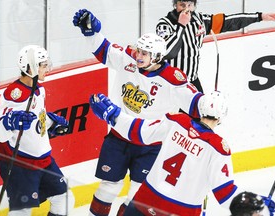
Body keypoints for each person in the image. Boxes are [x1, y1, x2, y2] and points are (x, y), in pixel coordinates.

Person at [72, 9, 203, 216]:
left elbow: (196, 103)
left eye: (144, 53)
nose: (138, 55)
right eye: (138, 50)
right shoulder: (128, 60)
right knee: (109, 186)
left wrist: (209, 106)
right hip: (119, 137)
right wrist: (91, 33)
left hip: (150, 146)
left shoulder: (173, 80)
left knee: (137, 192)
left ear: (157, 56)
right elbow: (104, 50)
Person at [88, 92, 275, 216]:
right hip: (181, 212)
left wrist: (113, 115)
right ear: (220, 117)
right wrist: (256, 204)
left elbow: (139, 131)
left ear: (201, 109)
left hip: (145, 201)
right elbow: (225, 194)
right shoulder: (218, 148)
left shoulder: (177, 122)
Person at [0, 45, 75, 216]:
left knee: (64, 197)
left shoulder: (39, 89)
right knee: (22, 211)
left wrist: (51, 124)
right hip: (21, 164)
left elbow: (35, 121)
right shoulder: (14, 94)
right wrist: (10, 122)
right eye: (43, 65)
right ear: (30, 67)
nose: (47, 68)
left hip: (43, 160)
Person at [156, 0, 275, 92]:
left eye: (190, 4)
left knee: (201, 119)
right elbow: (167, 52)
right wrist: (181, 26)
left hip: (191, 80)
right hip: (169, 82)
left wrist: (260, 16)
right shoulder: (164, 24)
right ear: (175, 5)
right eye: (182, 5)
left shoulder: (200, 20)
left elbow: (229, 22)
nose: (186, 9)